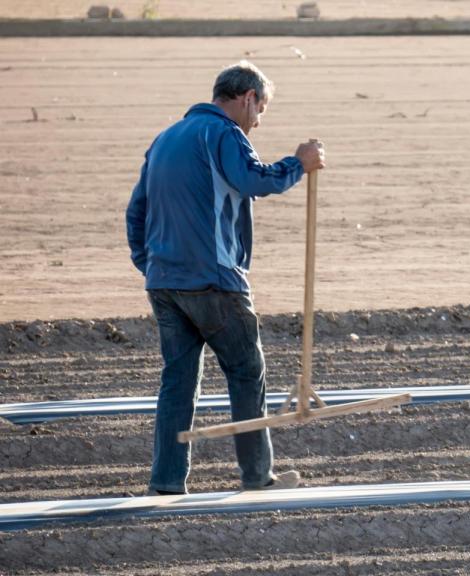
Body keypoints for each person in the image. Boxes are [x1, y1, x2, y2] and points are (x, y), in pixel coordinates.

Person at [125, 61, 325, 495]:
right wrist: (299, 163)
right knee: (246, 370)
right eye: (261, 110)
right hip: (213, 281)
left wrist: (152, 266)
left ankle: (165, 482)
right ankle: (258, 476)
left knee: (177, 382)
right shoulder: (222, 133)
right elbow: (253, 179)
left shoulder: (164, 139)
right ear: (247, 98)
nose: (257, 121)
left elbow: (136, 211)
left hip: (164, 283)